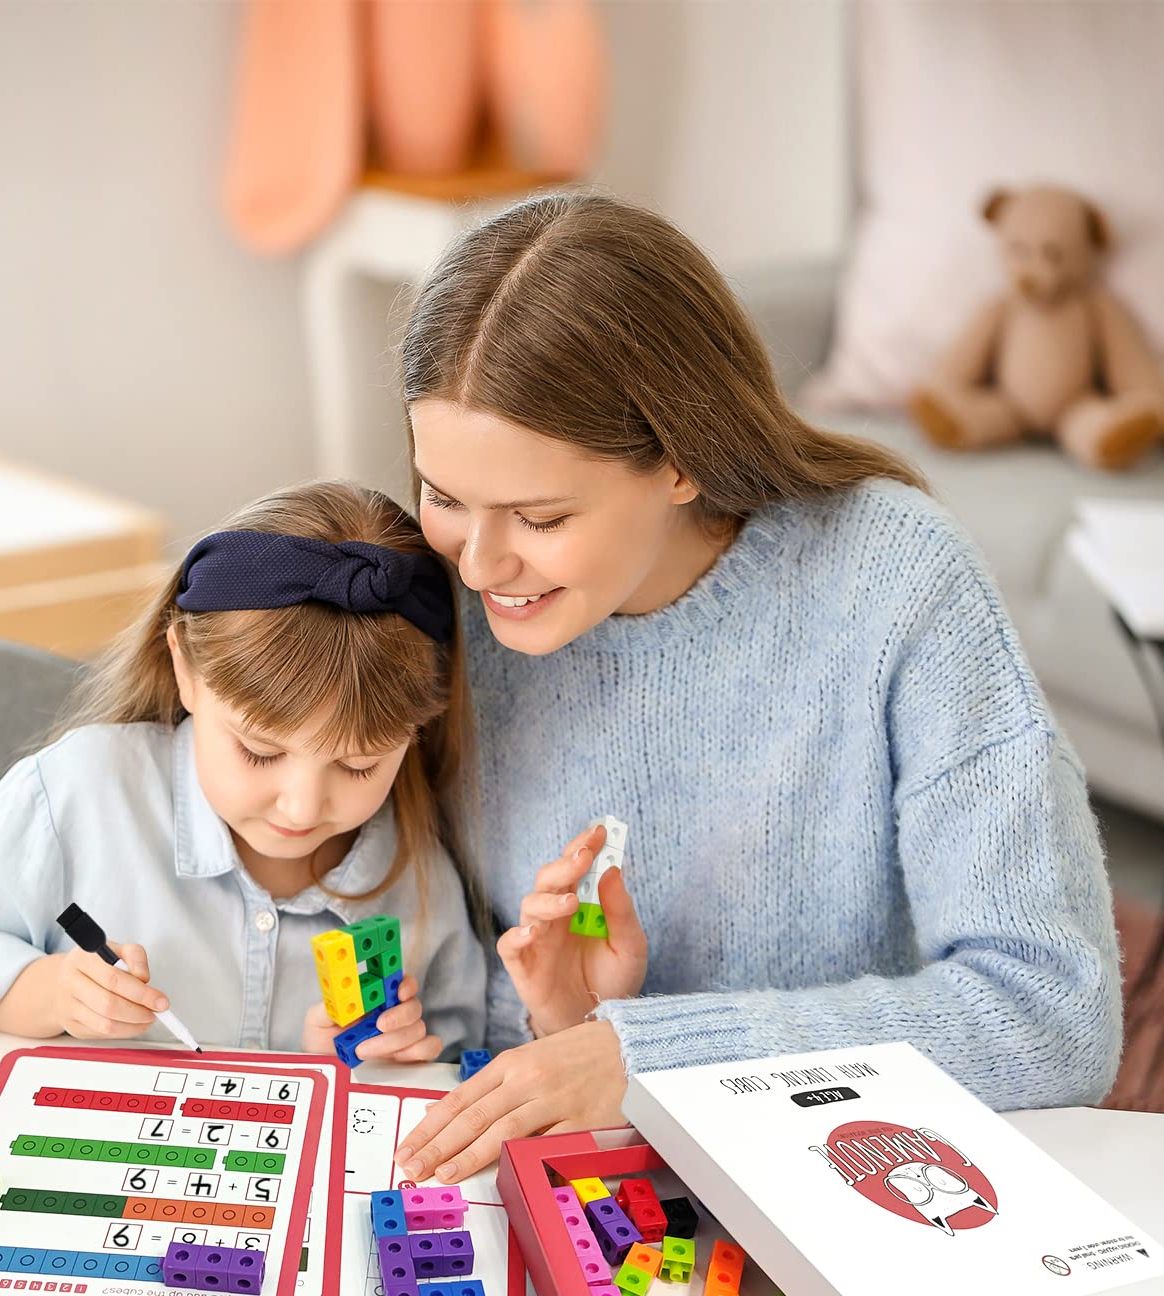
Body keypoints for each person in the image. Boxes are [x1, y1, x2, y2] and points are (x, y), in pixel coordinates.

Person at [391, 190, 1121, 1183]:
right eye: (443, 496)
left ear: (680, 462)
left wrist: (642, 1055)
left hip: (860, 1180)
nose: (478, 564)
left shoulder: (893, 579)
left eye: (538, 516)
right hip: (590, 1184)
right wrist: (555, 1019)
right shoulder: (439, 599)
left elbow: (1049, 1014)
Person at [0, 483, 485, 1061]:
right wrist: (51, 992)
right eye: (260, 752)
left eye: (358, 765)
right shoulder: (78, 795)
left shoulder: (418, 871)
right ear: (186, 669)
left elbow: (460, 1048)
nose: (301, 807)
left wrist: (374, 1058)